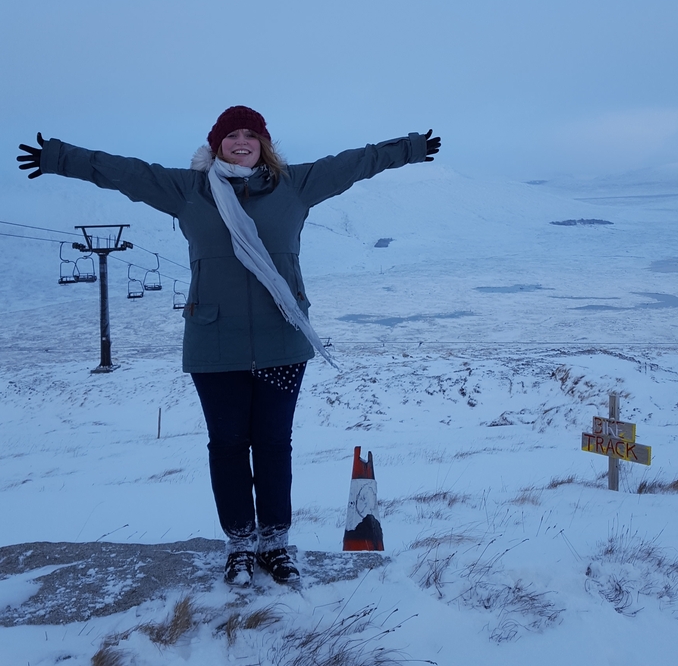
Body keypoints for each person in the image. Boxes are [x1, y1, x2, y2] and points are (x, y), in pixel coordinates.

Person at [18, 110, 441, 586]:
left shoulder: (295, 186)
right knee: (227, 447)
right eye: (230, 136)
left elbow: (355, 162)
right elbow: (125, 171)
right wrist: (58, 157)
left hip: (282, 339)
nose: (241, 142)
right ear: (216, 144)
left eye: (250, 135)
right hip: (214, 344)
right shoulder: (188, 191)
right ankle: (240, 545)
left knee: (275, 446)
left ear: (264, 142)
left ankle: (275, 544)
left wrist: (408, 148)